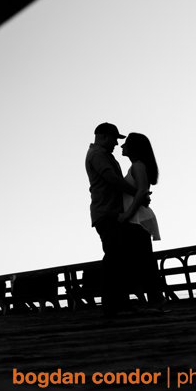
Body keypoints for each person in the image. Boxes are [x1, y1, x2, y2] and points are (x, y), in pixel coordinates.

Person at [85, 122, 141, 316]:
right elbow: (112, 179)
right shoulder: (98, 155)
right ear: (103, 137)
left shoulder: (101, 155)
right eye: (114, 139)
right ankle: (113, 303)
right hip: (107, 213)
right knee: (115, 255)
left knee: (117, 255)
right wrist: (138, 193)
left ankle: (117, 301)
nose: (116, 144)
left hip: (108, 213)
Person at [120, 132, 168, 311]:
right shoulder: (137, 166)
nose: (122, 147)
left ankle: (156, 300)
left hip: (138, 219)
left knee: (144, 262)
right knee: (142, 260)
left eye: (125, 144)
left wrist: (127, 215)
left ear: (133, 147)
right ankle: (152, 300)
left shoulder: (138, 166)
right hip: (138, 218)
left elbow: (141, 192)